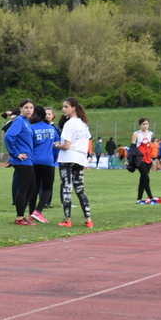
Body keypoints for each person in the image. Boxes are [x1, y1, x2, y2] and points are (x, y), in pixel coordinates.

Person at [55, 98, 93, 228]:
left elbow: (67, 146)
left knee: (67, 187)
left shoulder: (69, 124)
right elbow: (88, 140)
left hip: (68, 158)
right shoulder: (84, 124)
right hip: (80, 158)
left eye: (66, 106)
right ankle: (88, 219)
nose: (63, 109)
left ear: (73, 108)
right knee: (80, 189)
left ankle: (67, 219)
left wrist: (57, 145)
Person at [5, 99, 37, 224]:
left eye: (31, 107)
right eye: (26, 107)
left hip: (28, 160)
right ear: (20, 109)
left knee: (32, 188)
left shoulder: (26, 122)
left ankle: (21, 215)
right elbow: (9, 136)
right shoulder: (19, 121)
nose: (29, 110)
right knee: (23, 189)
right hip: (22, 161)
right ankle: (19, 217)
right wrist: (15, 154)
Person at [28, 106, 59, 223]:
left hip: (34, 161)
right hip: (48, 162)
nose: (31, 116)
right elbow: (56, 145)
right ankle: (38, 211)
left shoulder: (31, 129)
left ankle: (31, 213)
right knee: (47, 188)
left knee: (34, 189)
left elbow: (28, 145)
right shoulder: (52, 129)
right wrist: (54, 158)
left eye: (33, 114)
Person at [131, 119, 155, 204]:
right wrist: (130, 159)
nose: (145, 126)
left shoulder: (150, 133)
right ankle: (151, 197)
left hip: (148, 158)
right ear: (140, 125)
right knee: (146, 178)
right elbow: (133, 147)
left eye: (147, 124)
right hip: (140, 158)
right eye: (143, 124)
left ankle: (139, 199)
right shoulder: (136, 134)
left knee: (143, 179)